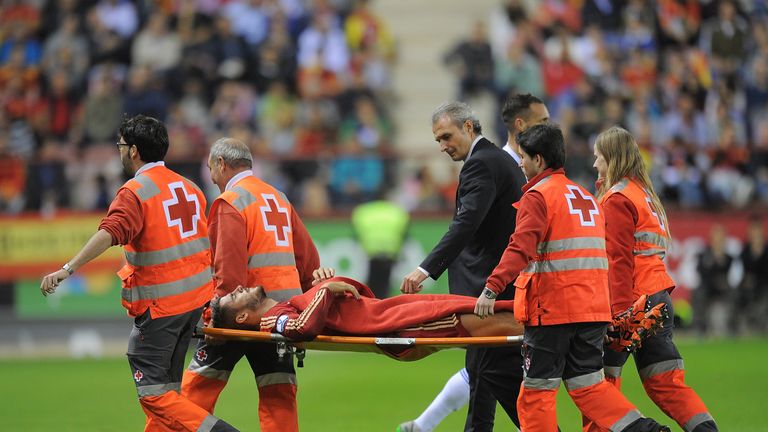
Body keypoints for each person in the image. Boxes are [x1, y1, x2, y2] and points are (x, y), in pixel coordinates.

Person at [39, 115, 238, 432]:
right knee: (168, 394)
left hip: (162, 308)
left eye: (120, 145)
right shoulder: (190, 188)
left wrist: (67, 269)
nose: (119, 151)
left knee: (154, 396)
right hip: (193, 305)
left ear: (133, 151)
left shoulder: (135, 192)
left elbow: (110, 232)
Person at [474, 123, 670, 432]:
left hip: (553, 312)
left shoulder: (539, 196)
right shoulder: (586, 197)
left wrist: (491, 288)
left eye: (523, 157)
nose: (520, 163)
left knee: (535, 396)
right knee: (589, 388)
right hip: (591, 312)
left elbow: (520, 247)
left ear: (539, 160)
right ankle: (646, 429)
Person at [399, 93, 551, 432]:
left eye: (446, 136)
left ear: (469, 127)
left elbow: (466, 223)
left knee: (497, 374)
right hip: (495, 290)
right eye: (438, 140)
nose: (442, 146)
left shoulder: (482, 163)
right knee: (481, 377)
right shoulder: (499, 160)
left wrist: (426, 269)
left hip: (485, 295)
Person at [180, 138, 320, 432]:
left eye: (210, 169)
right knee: (278, 394)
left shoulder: (230, 202)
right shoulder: (278, 197)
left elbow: (229, 274)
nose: (211, 176)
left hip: (240, 314)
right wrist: (303, 309)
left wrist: (214, 319)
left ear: (221, 164)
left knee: (195, 393)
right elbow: (308, 259)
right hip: (281, 315)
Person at [586, 126, 718, 431]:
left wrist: (616, 315)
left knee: (597, 384)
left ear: (612, 159)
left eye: (599, 158)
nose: (595, 164)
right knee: (665, 382)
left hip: (631, 302)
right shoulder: (643, 194)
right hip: (658, 298)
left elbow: (618, 262)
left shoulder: (617, 199)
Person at [210, 270, 523, 343]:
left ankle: (538, 322)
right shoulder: (270, 322)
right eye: (233, 296)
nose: (238, 288)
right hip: (396, 325)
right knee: (470, 315)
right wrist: (326, 291)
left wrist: (320, 283)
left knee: (470, 305)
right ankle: (540, 328)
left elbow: (314, 311)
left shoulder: (286, 305)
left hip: (390, 311)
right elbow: (301, 328)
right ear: (242, 316)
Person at [351, 199, 410, 298]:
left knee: (372, 283)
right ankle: (382, 303)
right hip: (390, 252)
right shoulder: (397, 211)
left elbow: (355, 233)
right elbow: (405, 233)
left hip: (372, 253)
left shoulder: (363, 211)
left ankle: (372, 303)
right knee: (385, 284)